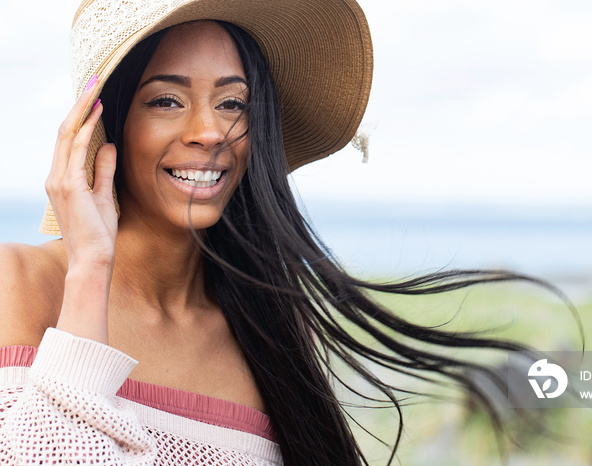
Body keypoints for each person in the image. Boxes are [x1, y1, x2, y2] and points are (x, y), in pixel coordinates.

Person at [0, 1, 549, 465]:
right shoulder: (18, 287)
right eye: (167, 100)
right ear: (105, 124)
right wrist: (91, 268)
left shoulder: (267, 330)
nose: (211, 131)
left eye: (233, 103)